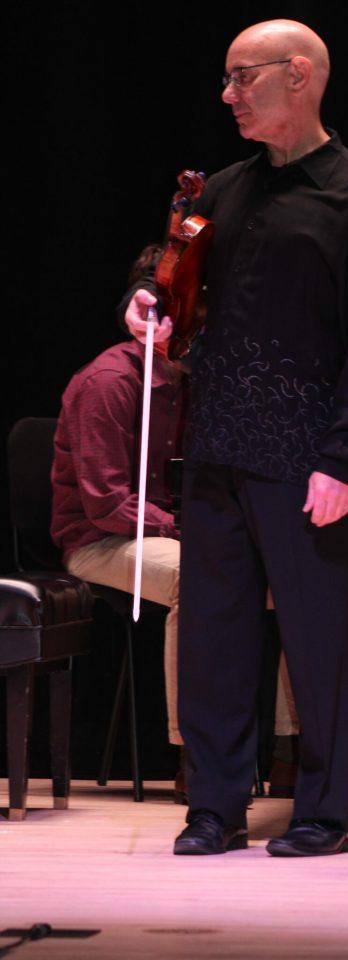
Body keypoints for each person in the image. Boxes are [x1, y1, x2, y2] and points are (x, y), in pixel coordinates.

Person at [124, 19, 348, 856]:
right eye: (226, 80)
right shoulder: (221, 189)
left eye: (242, 78)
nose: (229, 95)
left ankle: (324, 812)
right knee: (215, 633)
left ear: (300, 75)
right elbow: (164, 269)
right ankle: (214, 807)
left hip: (304, 454)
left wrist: (345, 458)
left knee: (317, 638)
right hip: (213, 444)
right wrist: (142, 296)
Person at [51, 246, 187, 794]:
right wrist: (190, 530)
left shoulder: (187, 381)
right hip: (100, 541)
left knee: (280, 575)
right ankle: (196, 755)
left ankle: (286, 749)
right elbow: (107, 504)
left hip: (160, 532)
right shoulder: (108, 381)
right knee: (199, 578)